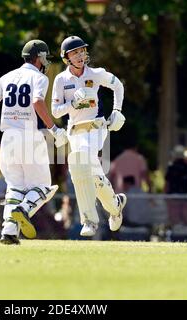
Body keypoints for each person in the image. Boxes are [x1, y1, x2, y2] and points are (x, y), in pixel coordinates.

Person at [0, 39, 68, 245]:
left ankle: (9, 231)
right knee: (43, 187)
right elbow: (36, 102)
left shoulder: (7, 76)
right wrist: (53, 129)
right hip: (29, 135)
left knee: (15, 187)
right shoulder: (39, 78)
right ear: (40, 58)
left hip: (8, 137)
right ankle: (23, 209)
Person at [51, 35, 127, 237]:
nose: (79, 55)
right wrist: (72, 105)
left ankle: (89, 221)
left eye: (82, 51)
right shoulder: (61, 80)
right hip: (75, 131)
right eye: (74, 53)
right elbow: (56, 111)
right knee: (90, 173)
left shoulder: (96, 74)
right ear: (66, 57)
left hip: (96, 128)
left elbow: (117, 85)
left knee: (80, 160)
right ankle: (115, 205)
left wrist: (117, 110)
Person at [164, 145, 187, 226]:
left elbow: (167, 183)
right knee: (186, 220)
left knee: (174, 221)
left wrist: (165, 196)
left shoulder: (171, 167)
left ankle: (176, 237)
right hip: (186, 197)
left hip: (173, 197)